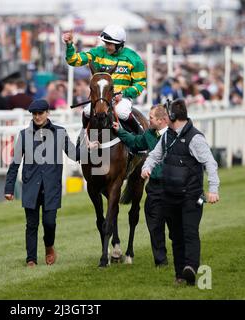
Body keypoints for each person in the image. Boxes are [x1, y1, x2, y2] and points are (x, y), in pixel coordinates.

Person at [141, 99, 220, 285]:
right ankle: (179, 275)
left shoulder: (195, 138)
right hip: (170, 195)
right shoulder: (166, 136)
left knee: (189, 233)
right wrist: (147, 167)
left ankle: (190, 269)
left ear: (173, 116)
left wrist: (213, 189)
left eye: (167, 113)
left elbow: (210, 163)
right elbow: (154, 155)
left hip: (191, 197)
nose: (164, 116)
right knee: (175, 236)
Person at [4, 99, 80, 267]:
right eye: (35, 114)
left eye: (40, 113)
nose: (37, 117)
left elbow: (74, 155)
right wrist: (9, 188)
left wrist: (89, 147)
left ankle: (49, 246)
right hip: (31, 187)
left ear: (47, 113)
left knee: (49, 223)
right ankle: (31, 259)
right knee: (31, 225)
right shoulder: (24, 135)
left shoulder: (60, 133)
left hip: (51, 188)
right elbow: (15, 163)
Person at [112, 104, 171, 267]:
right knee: (154, 224)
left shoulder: (176, 135)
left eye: (150, 117)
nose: (147, 120)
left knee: (175, 228)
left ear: (161, 120)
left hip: (174, 187)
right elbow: (135, 142)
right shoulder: (149, 135)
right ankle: (161, 261)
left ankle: (184, 257)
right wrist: (119, 131)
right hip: (154, 187)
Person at [62, 25, 147, 132]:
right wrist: (69, 45)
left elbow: (140, 84)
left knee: (122, 111)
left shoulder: (133, 58)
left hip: (121, 99)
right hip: (100, 98)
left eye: (109, 44)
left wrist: (124, 93)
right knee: (87, 111)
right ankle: (83, 139)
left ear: (119, 44)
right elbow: (74, 60)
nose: (106, 46)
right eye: (105, 43)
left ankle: (140, 139)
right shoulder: (97, 52)